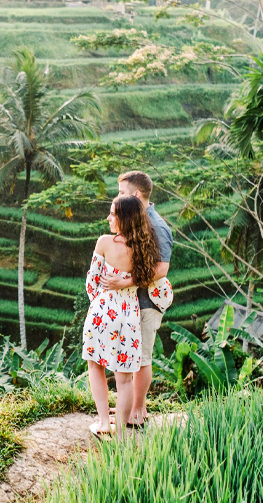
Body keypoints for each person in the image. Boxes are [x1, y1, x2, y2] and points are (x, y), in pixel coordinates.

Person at [82, 195, 160, 437]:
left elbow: (92, 282)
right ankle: (121, 434)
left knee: (95, 365)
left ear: (124, 218)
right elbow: (147, 278)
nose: (108, 218)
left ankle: (104, 423)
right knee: (124, 379)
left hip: (103, 312)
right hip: (129, 316)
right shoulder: (146, 246)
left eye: (113, 214)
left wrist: (99, 303)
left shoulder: (105, 242)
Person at [101, 171, 173, 427]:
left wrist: (124, 281)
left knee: (141, 359)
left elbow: (161, 269)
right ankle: (129, 406)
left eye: (122, 192)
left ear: (137, 194)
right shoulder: (135, 218)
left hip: (147, 300)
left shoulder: (157, 226)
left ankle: (138, 410)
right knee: (129, 357)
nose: (118, 196)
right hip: (130, 301)